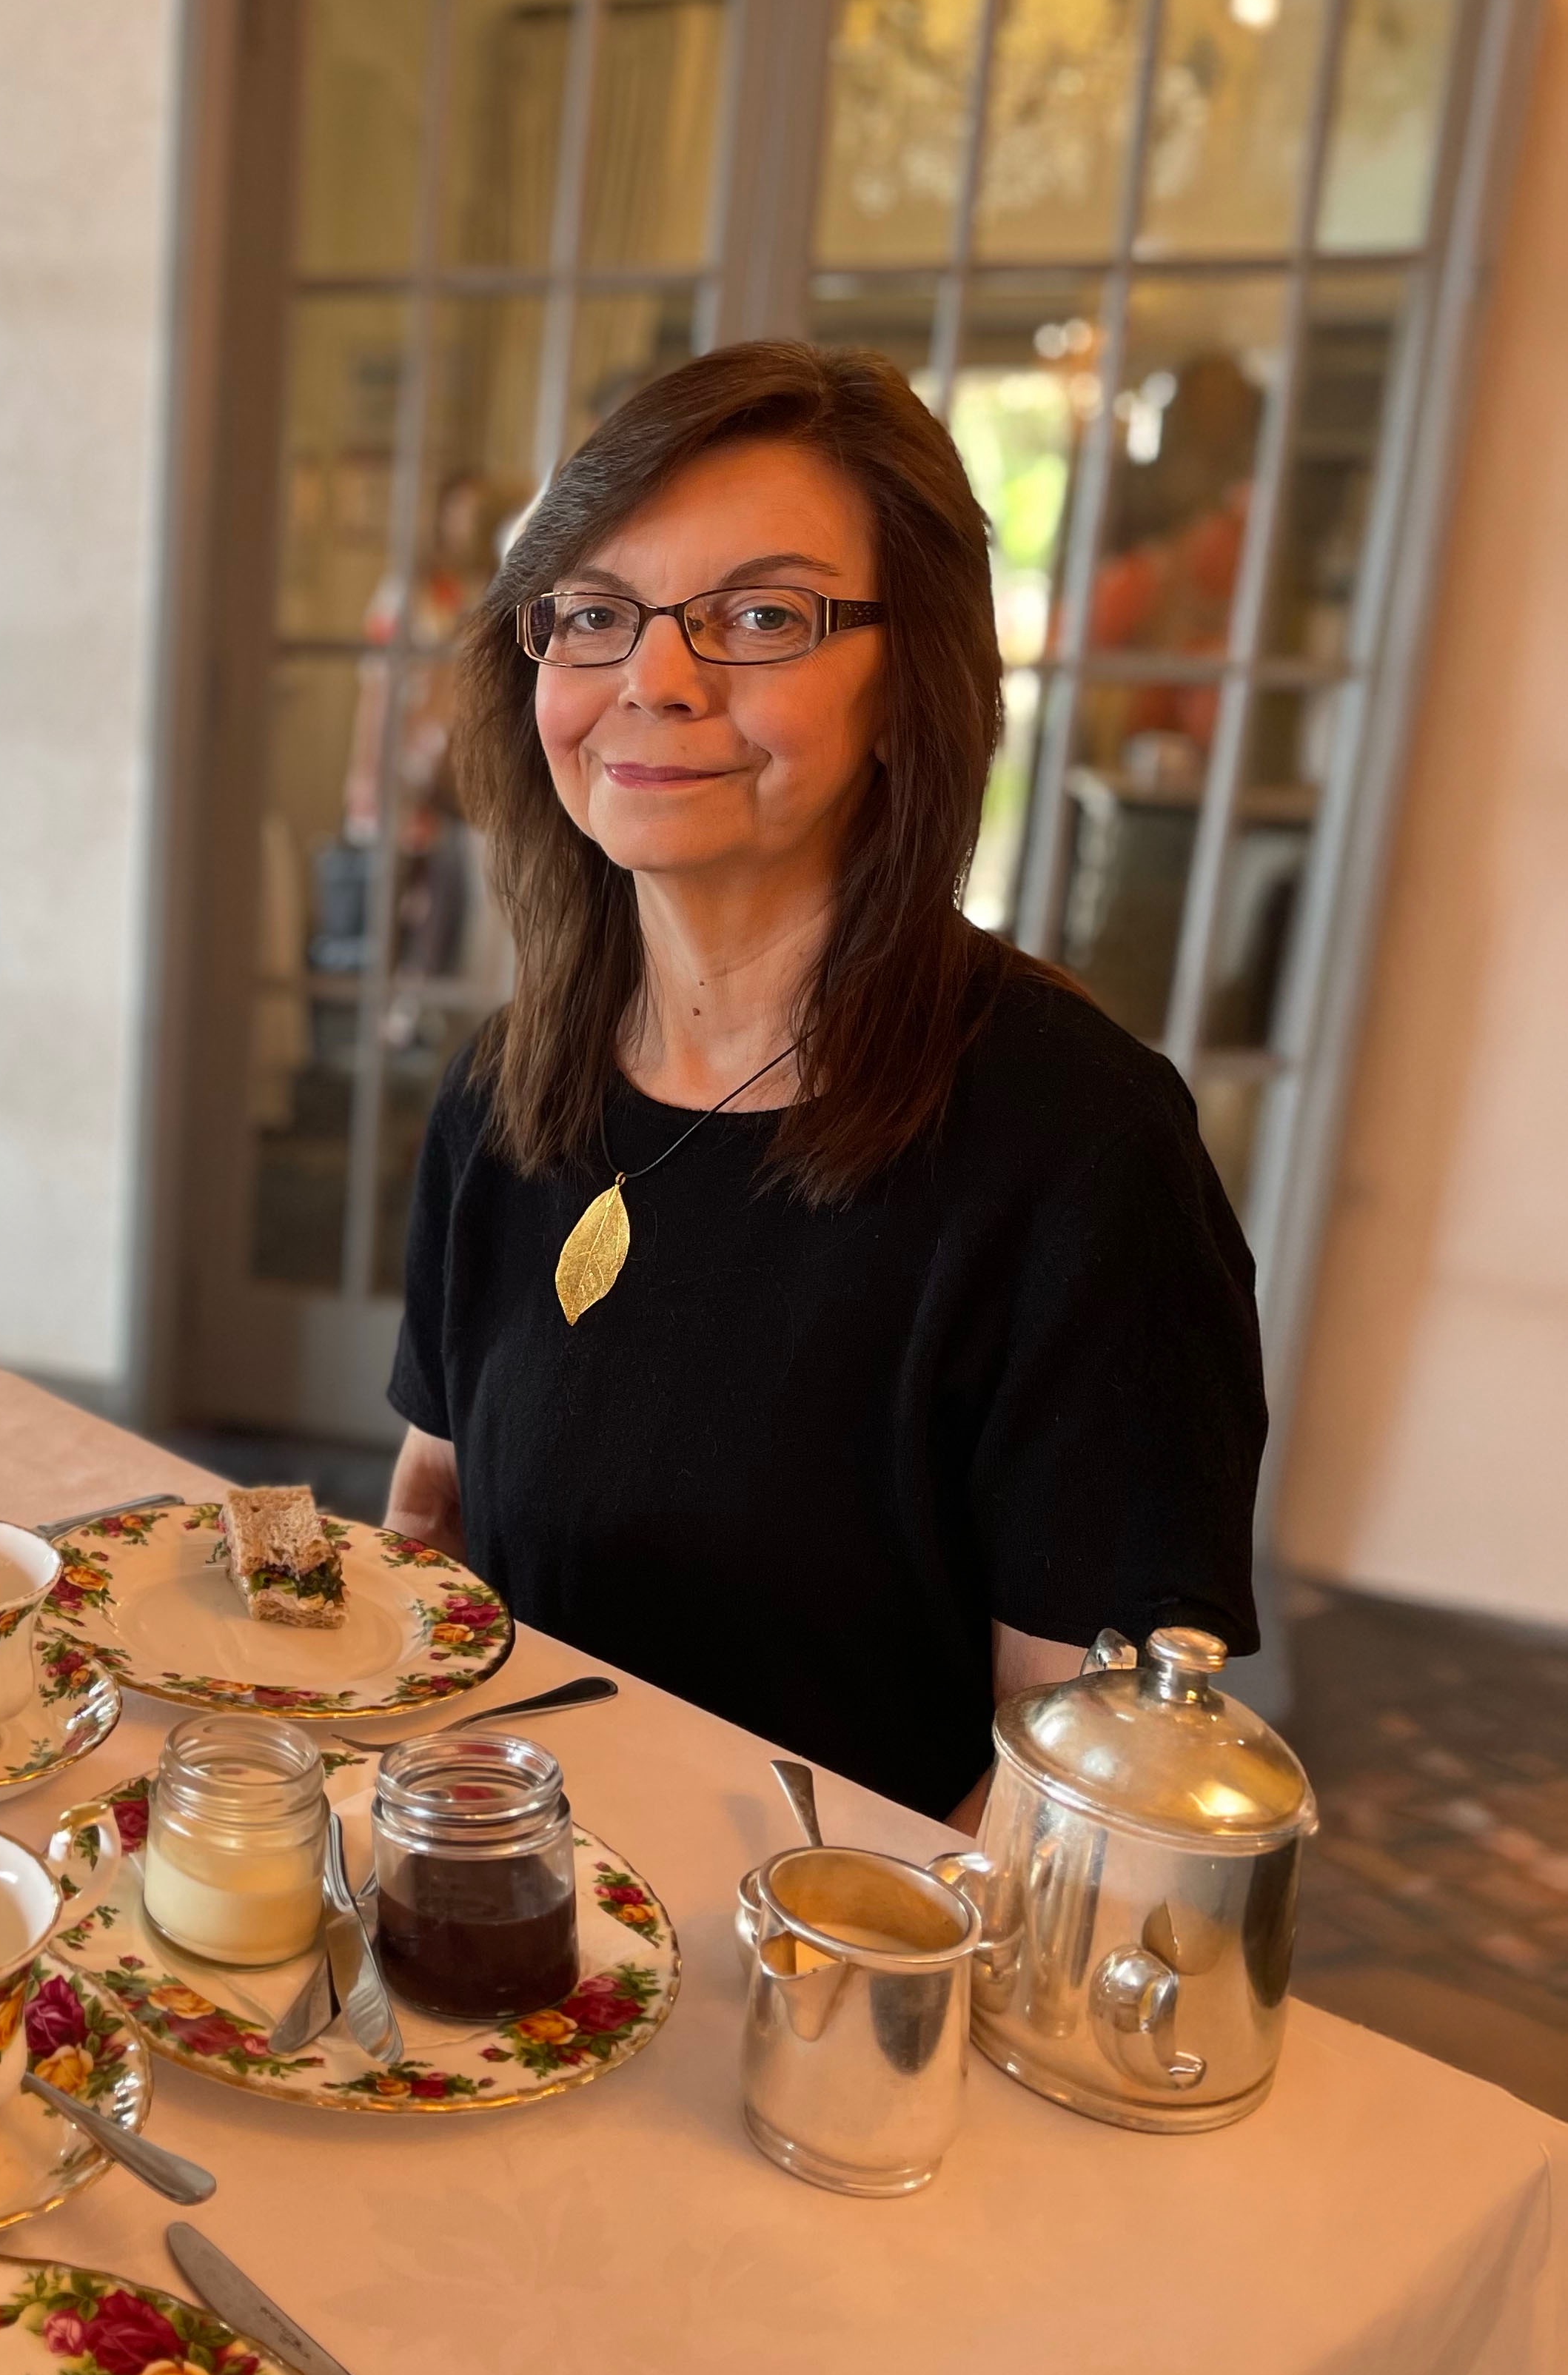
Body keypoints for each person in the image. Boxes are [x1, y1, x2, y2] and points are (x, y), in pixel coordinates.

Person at [382, 341, 1266, 1828]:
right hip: (500, 1904)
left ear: (909, 685)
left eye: (761, 617)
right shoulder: (508, 1089)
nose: (654, 679)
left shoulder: (1082, 1153)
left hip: (843, 1956)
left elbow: (1080, 1785)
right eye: (593, 613)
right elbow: (432, 1518)